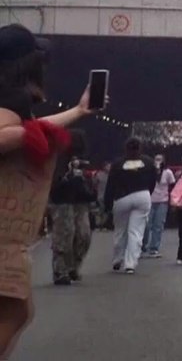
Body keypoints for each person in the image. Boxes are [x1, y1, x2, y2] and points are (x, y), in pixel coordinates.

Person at [0, 24, 97, 357]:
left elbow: (29, 128)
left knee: (19, 308)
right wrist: (27, 136)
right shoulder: (9, 99)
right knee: (15, 309)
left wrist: (78, 111)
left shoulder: (13, 99)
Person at [104, 137, 158, 274]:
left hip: (122, 198)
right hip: (143, 195)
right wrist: (147, 193)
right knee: (136, 232)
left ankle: (117, 259)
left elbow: (110, 185)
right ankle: (131, 264)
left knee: (120, 230)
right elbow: (153, 181)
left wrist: (107, 204)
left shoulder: (117, 164)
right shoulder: (148, 162)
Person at [48, 132, 95, 285]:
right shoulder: (58, 160)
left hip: (79, 200)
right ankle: (61, 270)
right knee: (64, 235)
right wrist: (67, 177)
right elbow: (54, 183)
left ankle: (72, 266)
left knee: (83, 235)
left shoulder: (81, 162)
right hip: (62, 200)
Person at [142, 153, 175, 258]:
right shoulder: (149, 172)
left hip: (162, 201)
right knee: (146, 225)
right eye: (156, 159)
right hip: (150, 200)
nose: (158, 161)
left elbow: (172, 185)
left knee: (158, 226)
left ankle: (154, 248)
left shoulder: (168, 172)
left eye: (160, 159)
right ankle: (143, 245)